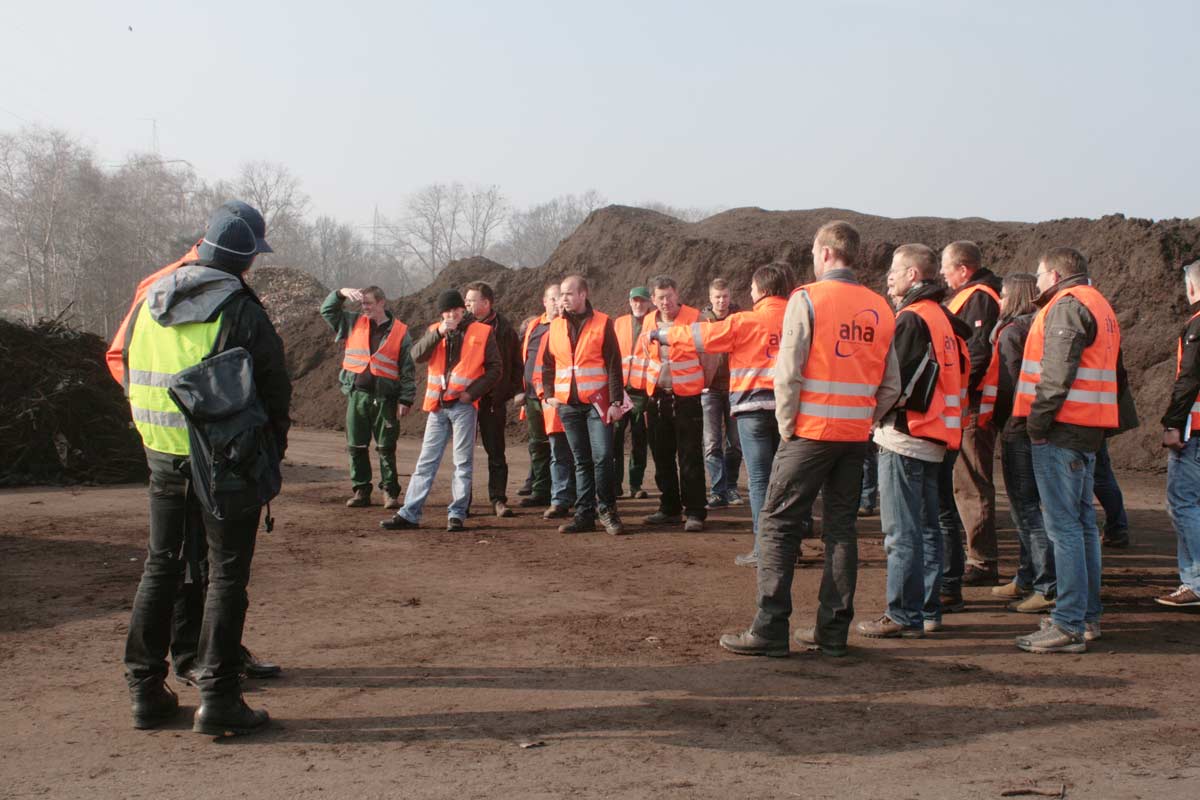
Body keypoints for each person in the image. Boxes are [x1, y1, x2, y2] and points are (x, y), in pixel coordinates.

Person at [122, 205, 290, 736]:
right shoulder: (239, 307)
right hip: (223, 461)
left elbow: (125, 364)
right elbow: (273, 387)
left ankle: (146, 692)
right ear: (245, 260)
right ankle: (218, 696)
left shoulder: (152, 298)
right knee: (226, 573)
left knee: (161, 566)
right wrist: (269, 455)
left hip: (161, 453)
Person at [719, 221, 900, 659]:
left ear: (823, 253)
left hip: (808, 434)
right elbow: (892, 384)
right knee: (842, 531)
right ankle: (832, 633)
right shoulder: (880, 306)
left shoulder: (807, 298)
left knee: (779, 526)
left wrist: (787, 426)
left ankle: (770, 628)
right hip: (854, 438)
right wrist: (863, 418)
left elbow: (788, 371)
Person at [1012, 248, 1123, 653]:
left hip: (1061, 431)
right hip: (1084, 429)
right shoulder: (1098, 304)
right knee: (1081, 527)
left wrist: (1037, 425)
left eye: (1040, 276)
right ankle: (1085, 616)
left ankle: (1070, 622)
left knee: (1065, 529)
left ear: (1055, 274)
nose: (1037, 283)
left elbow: (1055, 375)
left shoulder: (1068, 306)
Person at [858, 244, 969, 639]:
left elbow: (894, 384)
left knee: (901, 533)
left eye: (894, 269)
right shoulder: (943, 318)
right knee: (926, 529)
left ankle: (903, 614)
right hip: (936, 436)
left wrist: (869, 419)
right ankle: (927, 609)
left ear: (913, 276)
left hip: (905, 437)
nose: (888, 276)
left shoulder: (911, 319)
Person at [666, 263, 791, 566]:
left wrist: (662, 333)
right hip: (790, 409)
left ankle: (765, 549)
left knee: (760, 479)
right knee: (785, 479)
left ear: (760, 290)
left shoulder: (744, 321)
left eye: (751, 288)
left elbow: (703, 337)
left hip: (752, 408)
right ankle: (790, 544)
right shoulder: (798, 317)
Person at [380, 290, 500, 532]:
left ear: (462, 310)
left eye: (454, 310)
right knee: (426, 462)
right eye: (446, 312)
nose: (450, 315)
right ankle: (409, 513)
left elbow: (495, 368)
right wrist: (438, 333)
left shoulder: (483, 332)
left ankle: (457, 514)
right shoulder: (436, 329)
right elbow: (416, 355)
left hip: (464, 406)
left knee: (462, 463)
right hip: (438, 407)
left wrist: (472, 393)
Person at [989, 273, 1056, 613]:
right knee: (1030, 507)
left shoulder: (1013, 333)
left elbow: (1008, 384)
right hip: (1039, 425)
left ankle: (1044, 585)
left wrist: (997, 420)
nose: (998, 300)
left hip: (1018, 427)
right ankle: (1027, 577)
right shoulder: (1040, 326)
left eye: (1002, 294)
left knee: (1026, 508)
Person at [940, 241, 1004, 589]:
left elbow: (976, 354)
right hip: (971, 403)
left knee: (971, 482)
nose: (943, 274)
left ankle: (981, 561)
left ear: (963, 269)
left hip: (972, 406)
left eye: (946, 268)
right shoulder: (982, 296)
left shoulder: (978, 298)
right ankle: (980, 556)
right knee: (966, 481)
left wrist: (959, 395)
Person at [540, 275, 626, 535]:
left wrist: (615, 402)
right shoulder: (555, 326)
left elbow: (613, 364)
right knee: (582, 461)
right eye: (560, 295)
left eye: (567, 294)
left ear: (582, 295)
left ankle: (608, 512)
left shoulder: (602, 323)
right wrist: (548, 394)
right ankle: (584, 515)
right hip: (568, 405)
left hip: (596, 405)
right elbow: (547, 363)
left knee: (602, 458)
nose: (562, 299)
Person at [320, 285, 415, 509]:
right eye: (362, 304)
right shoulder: (353, 322)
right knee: (356, 446)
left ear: (382, 302)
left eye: (369, 303)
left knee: (386, 447)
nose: (365, 308)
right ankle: (361, 490)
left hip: (386, 398)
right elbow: (327, 311)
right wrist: (341, 293)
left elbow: (408, 369)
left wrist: (406, 398)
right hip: (358, 396)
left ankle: (390, 492)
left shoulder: (400, 331)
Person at [640, 276, 707, 531]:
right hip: (657, 397)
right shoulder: (648, 320)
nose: (665, 302)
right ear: (653, 300)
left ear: (677, 294)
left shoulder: (694, 318)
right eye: (660, 297)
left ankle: (695, 512)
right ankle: (669, 508)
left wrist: (701, 384)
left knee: (690, 456)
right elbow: (645, 356)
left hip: (687, 398)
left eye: (668, 296)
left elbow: (709, 356)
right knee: (661, 455)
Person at [1158, 259, 1200, 608]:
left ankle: (1196, 581)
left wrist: (1173, 424)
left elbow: (1188, 379)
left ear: (1192, 286)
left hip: (1195, 431)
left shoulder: (1197, 326)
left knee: (1184, 504)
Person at [464, 281, 523, 518]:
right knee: (463, 453)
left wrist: (508, 391)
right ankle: (462, 501)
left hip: (491, 400)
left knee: (496, 452)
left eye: (471, 300)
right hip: (465, 400)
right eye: (466, 300)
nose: (466, 304)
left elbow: (516, 363)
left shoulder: (504, 329)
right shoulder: (461, 326)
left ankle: (498, 499)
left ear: (486, 303)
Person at [699, 278, 744, 508]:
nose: (721, 301)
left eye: (725, 296)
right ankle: (718, 491)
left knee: (735, 443)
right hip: (709, 389)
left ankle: (732, 487)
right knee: (712, 443)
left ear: (730, 296)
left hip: (736, 388)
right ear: (710, 298)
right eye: (717, 297)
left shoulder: (741, 319)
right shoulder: (702, 321)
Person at [514, 286, 560, 507]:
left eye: (560, 298)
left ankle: (562, 492)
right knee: (538, 444)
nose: (556, 302)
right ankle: (541, 490)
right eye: (552, 298)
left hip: (554, 396)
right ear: (544, 301)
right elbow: (525, 358)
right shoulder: (534, 325)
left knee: (560, 445)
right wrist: (520, 389)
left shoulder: (565, 326)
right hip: (532, 395)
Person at [612, 287, 653, 499]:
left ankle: (635, 485)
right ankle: (615, 484)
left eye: (642, 301)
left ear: (648, 303)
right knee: (615, 436)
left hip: (642, 392)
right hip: (620, 391)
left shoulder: (653, 323)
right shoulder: (618, 323)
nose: (638, 304)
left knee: (639, 439)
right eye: (635, 301)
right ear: (630, 302)